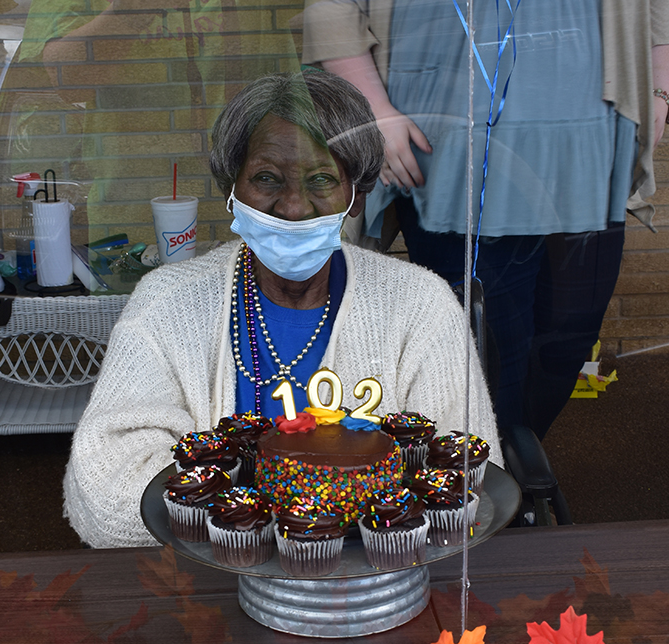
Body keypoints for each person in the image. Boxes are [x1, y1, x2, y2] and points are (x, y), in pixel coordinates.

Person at [64, 69, 499, 548]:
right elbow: (103, 496)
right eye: (267, 178)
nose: (293, 207)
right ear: (233, 188)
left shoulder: (420, 304)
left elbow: (464, 479)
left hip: (377, 593)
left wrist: (246, 508)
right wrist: (272, 524)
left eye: (321, 179)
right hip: (202, 596)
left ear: (356, 195)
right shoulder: (166, 304)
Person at [302, 0, 669, 439]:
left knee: (568, 342)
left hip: (586, 134)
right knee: (489, 353)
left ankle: (513, 465)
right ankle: (499, 482)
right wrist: (373, 110)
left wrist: (659, 86)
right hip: (450, 144)